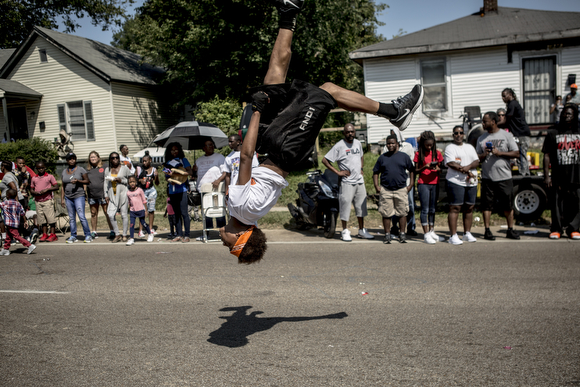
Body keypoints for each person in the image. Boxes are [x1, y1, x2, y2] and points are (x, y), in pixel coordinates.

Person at [219, 0, 423, 263]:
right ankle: (395, 112)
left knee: (274, 80)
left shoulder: (248, 214)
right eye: (229, 247)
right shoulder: (240, 208)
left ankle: (288, 13)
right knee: (328, 91)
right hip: (284, 146)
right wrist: (256, 111)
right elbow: (244, 158)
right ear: (239, 238)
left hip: (275, 149)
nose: (223, 243)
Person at [322, 123, 373, 241]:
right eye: (348, 132)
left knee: (361, 207)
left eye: (352, 131)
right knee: (345, 206)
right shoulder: (339, 146)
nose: (350, 134)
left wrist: (361, 168)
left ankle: (361, 230)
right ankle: (345, 230)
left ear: (355, 132)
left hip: (359, 181)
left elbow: (361, 156)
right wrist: (338, 172)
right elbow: (325, 160)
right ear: (344, 133)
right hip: (347, 182)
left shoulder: (358, 143)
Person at [476, 111, 520, 240]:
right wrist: (484, 154)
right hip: (487, 177)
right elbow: (477, 157)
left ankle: (510, 229)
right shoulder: (481, 138)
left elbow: (516, 153)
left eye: (485, 121)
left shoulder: (506, 135)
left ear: (493, 122)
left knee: (507, 205)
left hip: (504, 177)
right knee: (487, 205)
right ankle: (487, 230)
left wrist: (499, 153)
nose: (483, 123)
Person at [542, 104, 580, 239]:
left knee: (576, 202)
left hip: (576, 175)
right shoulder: (553, 132)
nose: (566, 116)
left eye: (570, 114)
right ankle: (557, 229)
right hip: (559, 175)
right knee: (557, 203)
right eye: (564, 113)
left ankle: (573, 229)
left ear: (575, 116)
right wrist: (547, 176)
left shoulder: (578, 132)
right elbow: (546, 155)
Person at [372, 135, 415, 244]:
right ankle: (387, 235)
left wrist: (411, 185)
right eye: (388, 143)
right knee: (386, 213)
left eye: (392, 143)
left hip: (401, 189)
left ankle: (402, 234)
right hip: (386, 189)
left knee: (402, 213)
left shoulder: (404, 156)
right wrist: (377, 186)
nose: (390, 145)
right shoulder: (382, 157)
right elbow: (376, 172)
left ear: (397, 144)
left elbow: (411, 170)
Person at [444, 126, 480, 245]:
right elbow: (451, 163)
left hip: (470, 181)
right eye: (456, 133)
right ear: (453, 135)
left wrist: (468, 168)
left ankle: (467, 233)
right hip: (455, 181)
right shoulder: (450, 147)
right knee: (455, 208)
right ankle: (453, 235)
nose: (458, 135)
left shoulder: (469, 147)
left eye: (461, 133)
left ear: (464, 135)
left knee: (469, 207)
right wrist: (465, 170)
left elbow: (476, 161)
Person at [414, 130, 445, 244]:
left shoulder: (437, 153)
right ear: (423, 143)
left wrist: (438, 169)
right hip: (423, 183)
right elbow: (416, 170)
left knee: (433, 209)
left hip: (435, 183)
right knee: (425, 209)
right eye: (427, 144)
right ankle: (426, 234)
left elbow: (441, 169)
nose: (429, 147)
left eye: (431, 145)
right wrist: (425, 167)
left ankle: (432, 231)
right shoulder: (418, 154)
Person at [388, 128, 418, 237]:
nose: (392, 137)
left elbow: (411, 166)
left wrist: (411, 183)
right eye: (391, 135)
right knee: (395, 205)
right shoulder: (387, 147)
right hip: (394, 181)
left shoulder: (407, 147)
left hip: (406, 181)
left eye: (394, 135)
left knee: (409, 204)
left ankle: (411, 227)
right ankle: (395, 227)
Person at [163, 142, 192, 242]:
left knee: (184, 213)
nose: (174, 151)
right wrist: (169, 177)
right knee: (176, 213)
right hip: (172, 191)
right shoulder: (167, 162)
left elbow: (190, 172)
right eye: (172, 150)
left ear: (179, 150)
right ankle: (179, 234)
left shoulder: (183, 160)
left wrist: (181, 173)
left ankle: (187, 235)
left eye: (176, 149)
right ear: (169, 151)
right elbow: (166, 177)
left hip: (182, 190)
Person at [498, 88, 531, 176]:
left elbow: (506, 120)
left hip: (522, 133)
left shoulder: (512, 104)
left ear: (510, 95)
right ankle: (523, 172)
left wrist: (494, 125)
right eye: (502, 97)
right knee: (519, 154)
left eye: (504, 96)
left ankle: (524, 174)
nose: (503, 98)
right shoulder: (513, 104)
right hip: (519, 133)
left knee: (522, 154)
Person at [60, 153, 92, 243]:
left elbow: (87, 181)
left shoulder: (81, 169)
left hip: (79, 196)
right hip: (68, 197)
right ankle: (73, 235)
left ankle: (88, 235)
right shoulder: (64, 171)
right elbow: (63, 186)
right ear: (67, 160)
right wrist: (62, 199)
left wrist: (78, 181)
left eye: (74, 158)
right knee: (71, 218)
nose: (72, 160)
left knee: (81, 216)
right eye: (70, 159)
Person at [86, 151, 115, 240]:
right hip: (92, 195)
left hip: (103, 195)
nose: (93, 158)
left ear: (98, 158)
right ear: (89, 159)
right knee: (93, 213)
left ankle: (112, 231)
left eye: (94, 157)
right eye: (91, 157)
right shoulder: (88, 169)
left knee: (107, 213)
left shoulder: (105, 166)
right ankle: (94, 232)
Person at [104, 152, 131, 243]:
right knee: (111, 214)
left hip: (123, 194)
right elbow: (105, 183)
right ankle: (117, 234)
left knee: (124, 215)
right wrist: (106, 194)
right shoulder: (107, 169)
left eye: (116, 157)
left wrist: (121, 180)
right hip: (112, 194)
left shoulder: (124, 168)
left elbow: (130, 180)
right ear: (110, 159)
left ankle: (124, 234)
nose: (115, 159)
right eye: (113, 158)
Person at [0, 189, 36, 255]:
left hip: (9, 223)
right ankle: (6, 249)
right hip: (16, 223)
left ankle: (29, 245)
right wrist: (25, 221)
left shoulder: (5, 203)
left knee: (17, 236)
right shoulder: (18, 204)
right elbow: (23, 213)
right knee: (8, 236)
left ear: (7, 196)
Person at [30, 161, 59, 242]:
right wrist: (34, 192)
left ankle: (53, 234)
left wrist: (48, 189)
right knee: (42, 219)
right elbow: (31, 189)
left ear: (45, 167)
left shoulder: (49, 176)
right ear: (36, 169)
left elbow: (56, 186)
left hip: (47, 200)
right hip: (38, 201)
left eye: (42, 168)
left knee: (50, 218)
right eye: (39, 168)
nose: (41, 170)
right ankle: (44, 234)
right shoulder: (34, 178)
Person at [125, 176, 154, 246]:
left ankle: (150, 234)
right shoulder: (128, 192)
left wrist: (146, 210)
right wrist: (129, 210)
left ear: (136, 182)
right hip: (133, 211)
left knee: (143, 223)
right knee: (132, 224)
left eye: (133, 182)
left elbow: (144, 201)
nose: (132, 183)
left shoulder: (140, 190)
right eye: (130, 182)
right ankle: (131, 238)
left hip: (140, 210)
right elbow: (129, 202)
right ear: (128, 183)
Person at [135, 154, 159, 237]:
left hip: (151, 190)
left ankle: (150, 228)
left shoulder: (154, 169)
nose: (144, 163)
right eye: (143, 161)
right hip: (142, 191)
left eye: (146, 161)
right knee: (142, 211)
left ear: (150, 160)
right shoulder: (139, 169)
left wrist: (156, 176)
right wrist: (140, 180)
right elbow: (133, 180)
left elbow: (157, 183)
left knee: (151, 210)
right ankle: (140, 230)